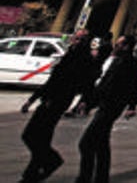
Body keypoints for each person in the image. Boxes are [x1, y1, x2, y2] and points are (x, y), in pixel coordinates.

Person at [20, 30, 94, 183]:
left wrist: (84, 102)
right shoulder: (69, 54)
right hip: (50, 98)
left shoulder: (84, 59)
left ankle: (51, 161)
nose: (77, 41)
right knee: (40, 137)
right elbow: (52, 80)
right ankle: (32, 173)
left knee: (32, 135)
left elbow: (86, 84)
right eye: (76, 37)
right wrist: (32, 99)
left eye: (81, 39)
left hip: (57, 101)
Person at [76, 35, 137, 183]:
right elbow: (104, 83)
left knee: (86, 143)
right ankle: (101, 177)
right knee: (101, 143)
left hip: (112, 106)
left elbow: (133, 87)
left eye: (118, 44)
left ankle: (85, 177)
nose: (115, 47)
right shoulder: (117, 61)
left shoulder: (131, 64)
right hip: (106, 104)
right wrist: (88, 101)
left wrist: (132, 106)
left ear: (126, 46)